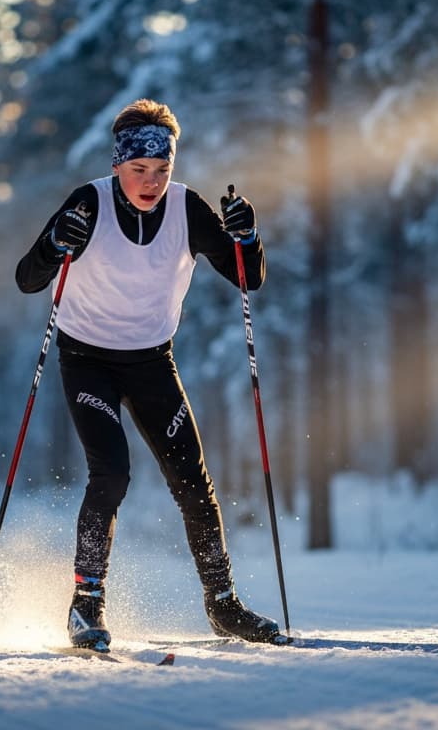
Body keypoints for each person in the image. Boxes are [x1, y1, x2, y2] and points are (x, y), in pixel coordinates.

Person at [15, 98, 284, 652]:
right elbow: (27, 278)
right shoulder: (88, 203)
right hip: (86, 358)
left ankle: (223, 604)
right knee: (111, 473)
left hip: (151, 360)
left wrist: (247, 236)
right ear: (118, 164)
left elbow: (248, 279)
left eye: (162, 170)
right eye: (139, 169)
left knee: (194, 480)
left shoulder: (188, 209)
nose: (151, 181)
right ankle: (85, 607)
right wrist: (54, 243)